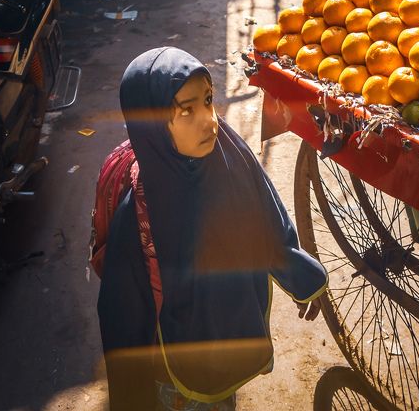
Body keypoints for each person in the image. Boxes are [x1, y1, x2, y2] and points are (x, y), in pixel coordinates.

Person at [97, 48, 326, 411]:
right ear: (152, 126)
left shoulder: (229, 154)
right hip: (174, 360)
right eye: (186, 110)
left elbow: (267, 219)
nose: (208, 121)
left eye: (208, 101)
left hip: (231, 326)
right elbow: (121, 315)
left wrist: (302, 278)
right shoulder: (141, 207)